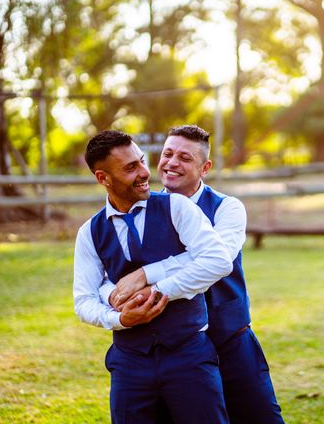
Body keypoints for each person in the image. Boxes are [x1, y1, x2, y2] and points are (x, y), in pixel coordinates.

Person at [102, 125, 285, 424]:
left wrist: (148, 275)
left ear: (205, 167)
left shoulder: (228, 209)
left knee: (260, 417)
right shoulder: (141, 211)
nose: (172, 163)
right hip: (174, 350)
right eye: (167, 154)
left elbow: (217, 260)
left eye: (185, 157)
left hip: (230, 341)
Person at [73, 130, 233, 424]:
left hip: (189, 356)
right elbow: (83, 300)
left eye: (142, 161)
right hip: (129, 364)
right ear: (103, 178)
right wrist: (120, 319)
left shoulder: (178, 207)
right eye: (130, 167)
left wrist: (158, 290)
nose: (145, 172)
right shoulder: (89, 233)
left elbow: (218, 261)